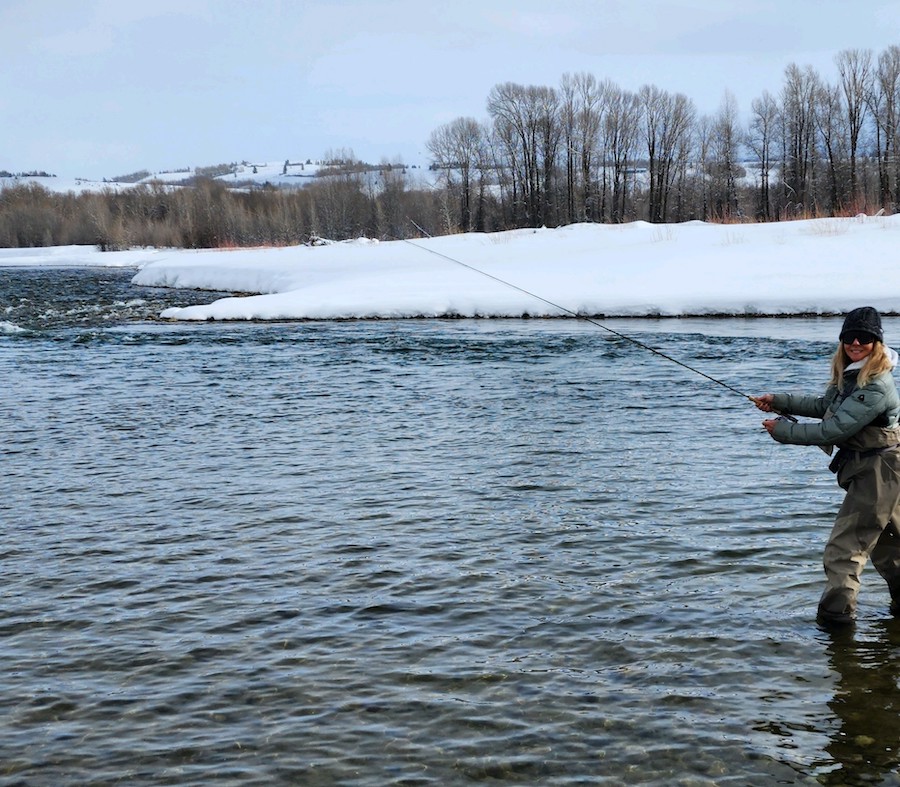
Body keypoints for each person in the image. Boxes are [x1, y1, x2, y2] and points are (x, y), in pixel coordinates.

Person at [753, 306, 900, 626]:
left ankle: (835, 629)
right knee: (892, 550)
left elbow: (834, 430)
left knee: (843, 552)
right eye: (849, 336)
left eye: (864, 337)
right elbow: (824, 407)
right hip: (882, 470)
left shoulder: (875, 384)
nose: (855, 342)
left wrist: (784, 431)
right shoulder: (853, 373)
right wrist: (778, 400)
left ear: (877, 342)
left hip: (878, 472)